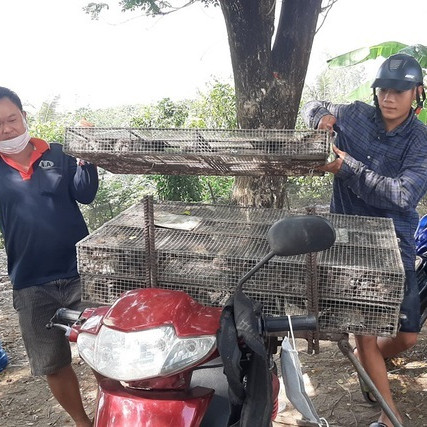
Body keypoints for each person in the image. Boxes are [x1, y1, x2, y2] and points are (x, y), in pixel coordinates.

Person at [301, 54, 427, 427]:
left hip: (395, 244)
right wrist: (318, 119)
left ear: (416, 94)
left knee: (406, 335)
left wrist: (346, 167)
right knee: (367, 332)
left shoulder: (421, 142)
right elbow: (314, 104)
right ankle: (391, 417)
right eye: (384, 90)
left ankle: (371, 368)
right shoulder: (355, 114)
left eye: (399, 91)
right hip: (349, 243)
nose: (389, 98)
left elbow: (403, 196)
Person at [0, 86, 98, 427]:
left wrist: (88, 152)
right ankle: (83, 423)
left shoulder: (59, 153)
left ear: (24, 116)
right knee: (53, 363)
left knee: (104, 351)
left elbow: (86, 193)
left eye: (11, 119)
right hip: (29, 282)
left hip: (80, 273)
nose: (7, 129)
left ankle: (113, 413)